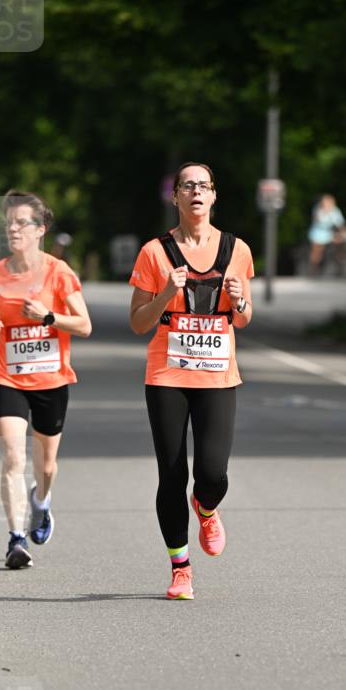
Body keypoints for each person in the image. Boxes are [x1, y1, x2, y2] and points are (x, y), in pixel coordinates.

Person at [129, 162, 254, 599]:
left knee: (213, 473)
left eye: (203, 185)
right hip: (167, 374)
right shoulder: (154, 252)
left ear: (214, 195)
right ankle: (180, 567)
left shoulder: (237, 249)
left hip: (218, 376)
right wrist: (166, 292)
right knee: (171, 473)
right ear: (176, 196)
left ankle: (206, 506)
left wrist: (240, 302)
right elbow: (138, 323)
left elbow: (244, 318)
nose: (196, 192)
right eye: (187, 185)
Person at [0, 191, 92, 569]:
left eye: (21, 222)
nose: (13, 229)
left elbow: (84, 325)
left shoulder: (59, 273)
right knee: (13, 457)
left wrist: (48, 317)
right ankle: (15, 538)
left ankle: (41, 502)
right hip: (9, 376)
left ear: (40, 229)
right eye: (9, 223)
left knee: (45, 467)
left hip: (51, 379)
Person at [308, 194, 346, 275]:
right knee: (317, 251)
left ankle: (340, 264)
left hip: (329, 233)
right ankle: (314, 269)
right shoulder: (318, 210)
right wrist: (326, 212)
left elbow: (340, 223)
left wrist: (344, 231)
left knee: (340, 243)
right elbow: (318, 221)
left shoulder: (335, 210)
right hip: (318, 233)